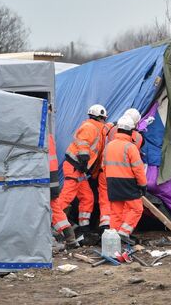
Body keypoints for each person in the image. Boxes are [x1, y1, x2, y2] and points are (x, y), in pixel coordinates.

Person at [53, 104, 108, 244]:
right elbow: (83, 142)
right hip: (74, 166)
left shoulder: (97, 128)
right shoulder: (90, 126)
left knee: (87, 197)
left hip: (79, 168)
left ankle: (84, 228)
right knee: (66, 196)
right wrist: (84, 157)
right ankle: (54, 223)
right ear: (101, 117)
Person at [97, 108, 144, 231]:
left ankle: (112, 233)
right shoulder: (134, 142)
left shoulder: (109, 140)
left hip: (108, 177)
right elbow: (137, 167)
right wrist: (143, 184)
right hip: (126, 178)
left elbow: (104, 162)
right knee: (135, 208)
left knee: (113, 208)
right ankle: (124, 232)